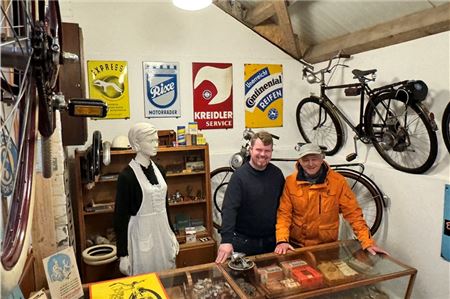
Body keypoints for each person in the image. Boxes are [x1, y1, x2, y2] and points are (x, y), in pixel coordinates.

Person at [275, 143, 388, 256]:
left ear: (322, 159)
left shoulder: (338, 182)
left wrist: (367, 242)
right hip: (296, 246)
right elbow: (284, 214)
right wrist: (282, 240)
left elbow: (353, 214)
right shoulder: (290, 182)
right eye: (305, 160)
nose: (310, 164)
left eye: (314, 159)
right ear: (299, 161)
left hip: (326, 246)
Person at [114, 122, 179, 276]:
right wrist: (123, 254)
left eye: (156, 140)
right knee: (145, 281)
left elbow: (165, 206)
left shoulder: (160, 170)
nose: (156, 144)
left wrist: (172, 234)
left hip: (163, 233)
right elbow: (120, 217)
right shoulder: (127, 176)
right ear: (137, 143)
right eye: (151, 141)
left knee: (167, 277)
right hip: (142, 236)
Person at [215, 131, 285, 263]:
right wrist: (226, 241)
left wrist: (283, 238)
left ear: (271, 152)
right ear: (250, 149)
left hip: (271, 242)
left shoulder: (277, 174)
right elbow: (229, 209)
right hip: (243, 242)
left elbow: (284, 208)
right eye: (259, 150)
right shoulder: (239, 177)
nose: (263, 154)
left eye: (267, 151)